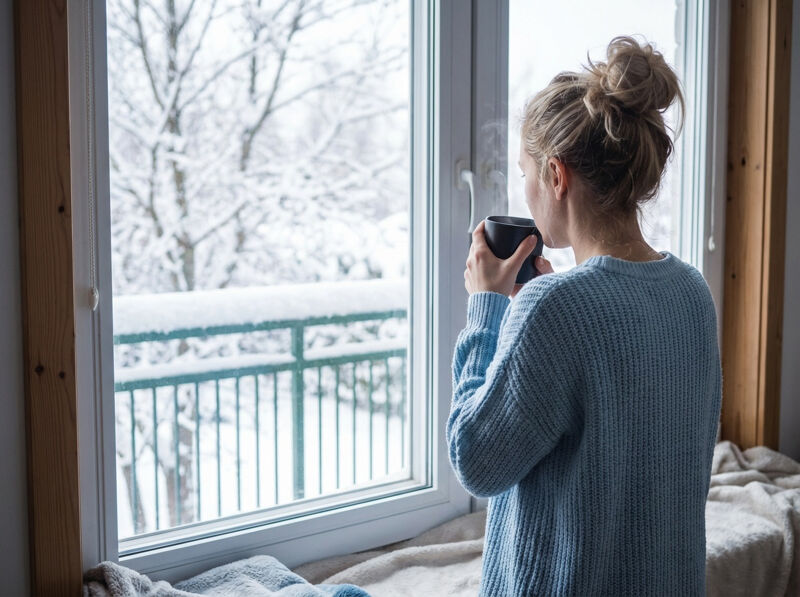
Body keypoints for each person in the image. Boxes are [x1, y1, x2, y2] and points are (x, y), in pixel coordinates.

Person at [448, 35, 722, 596]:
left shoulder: (552, 309)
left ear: (556, 174)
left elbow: (476, 461)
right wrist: (537, 322)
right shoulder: (692, 292)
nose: (523, 191)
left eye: (525, 172)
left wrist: (487, 310)